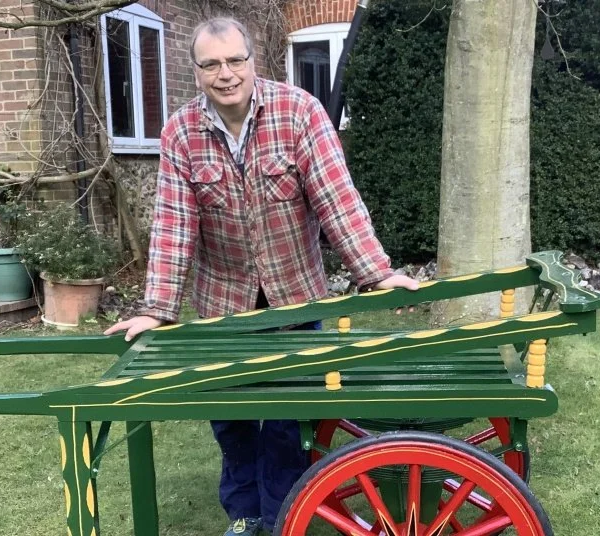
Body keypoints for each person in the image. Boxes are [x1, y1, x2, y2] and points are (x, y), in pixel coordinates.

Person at [105, 17, 419, 536]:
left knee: (285, 421)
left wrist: (375, 272)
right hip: (221, 308)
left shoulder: (299, 112)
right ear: (197, 71)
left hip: (297, 300)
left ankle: (282, 519)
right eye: (211, 64)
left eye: (235, 61)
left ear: (253, 61)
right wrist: (156, 308)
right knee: (232, 421)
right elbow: (173, 224)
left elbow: (336, 199)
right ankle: (246, 515)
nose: (225, 74)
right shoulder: (181, 132)